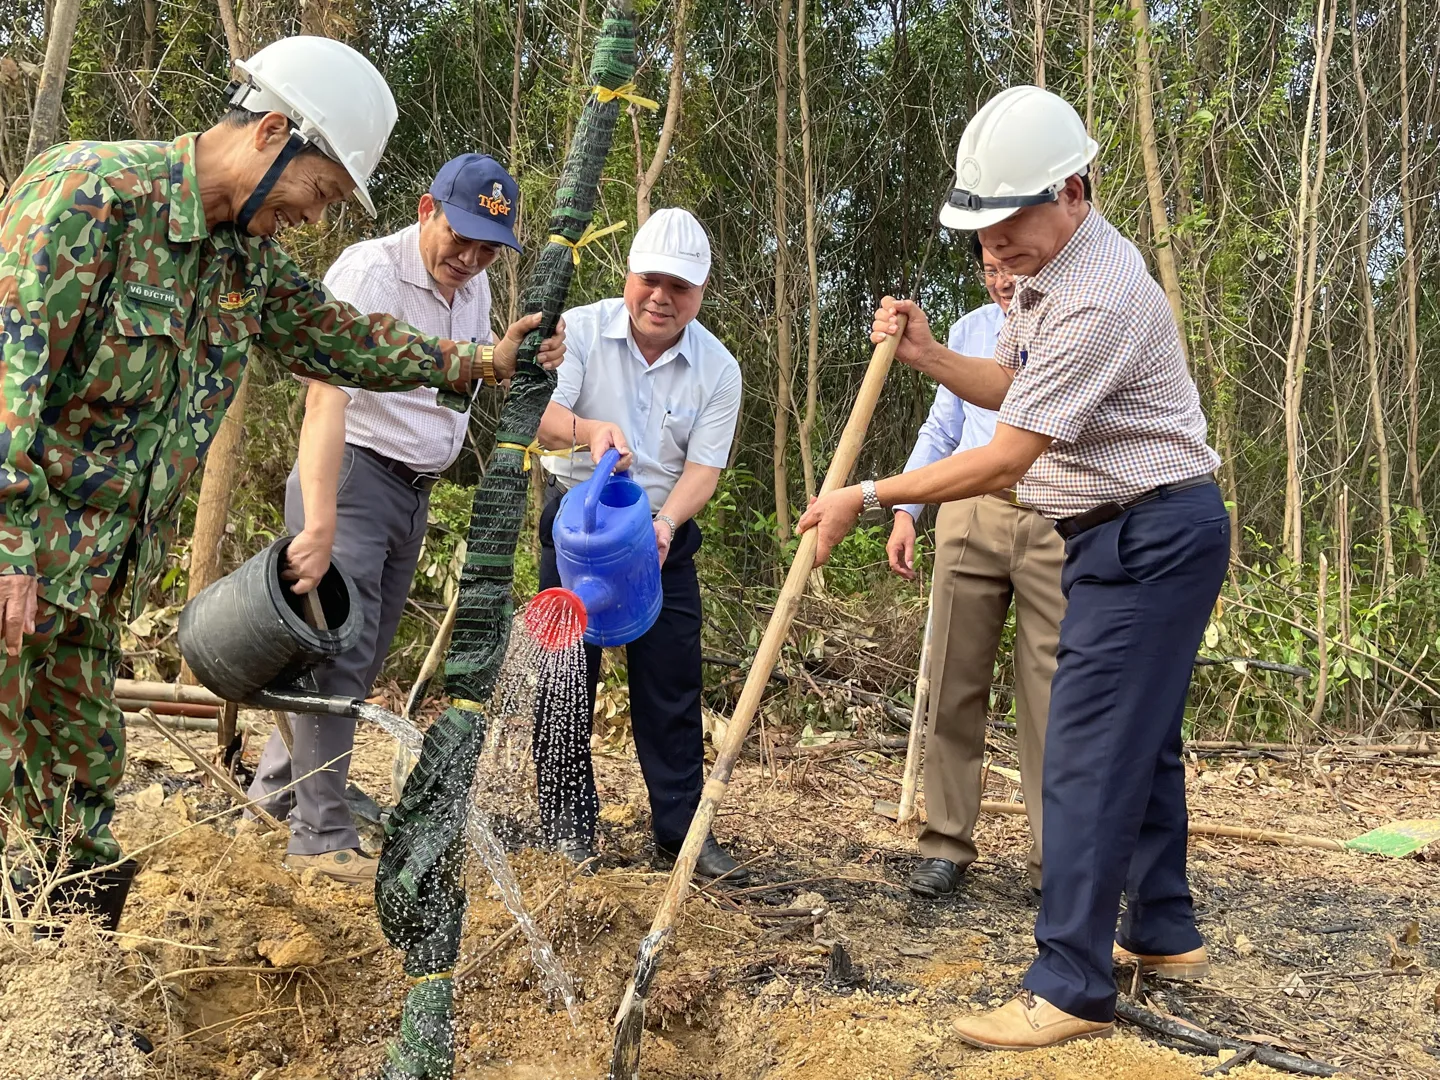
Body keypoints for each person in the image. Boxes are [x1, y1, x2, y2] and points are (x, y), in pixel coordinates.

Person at [0, 37, 534, 933]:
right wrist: (9, 547)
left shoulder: (240, 258)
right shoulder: (91, 193)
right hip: (23, 559)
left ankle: (60, 979)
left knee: (81, 779)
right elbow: (9, 377)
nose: (314, 217)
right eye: (317, 192)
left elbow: (340, 338)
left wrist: (477, 361)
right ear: (274, 132)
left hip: (86, 581)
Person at [797, 85, 1229, 1050]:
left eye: (1009, 227)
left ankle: (1070, 980)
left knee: (1084, 749)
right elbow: (1012, 389)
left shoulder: (1098, 294)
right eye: (980, 236)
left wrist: (870, 497)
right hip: (1126, 530)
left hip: (1151, 533)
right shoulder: (1049, 276)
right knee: (1144, 739)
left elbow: (1006, 453)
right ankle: (1162, 930)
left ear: (1073, 190)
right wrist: (930, 355)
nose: (993, 253)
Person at [244, 154, 565, 884]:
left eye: (489, 246)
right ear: (427, 209)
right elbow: (323, 392)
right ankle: (321, 838)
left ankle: (272, 802)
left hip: (410, 490)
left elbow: (470, 381)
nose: (471, 257)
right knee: (338, 655)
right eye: (462, 236)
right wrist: (319, 518)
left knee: (346, 656)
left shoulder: (475, 286)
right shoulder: (369, 274)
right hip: (353, 475)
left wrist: (527, 363)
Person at [532, 208, 746, 882]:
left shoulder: (717, 368)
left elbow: (703, 470)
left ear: (700, 293)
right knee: (566, 679)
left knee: (672, 685)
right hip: (578, 527)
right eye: (650, 280)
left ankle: (680, 833)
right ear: (629, 276)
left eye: (679, 287)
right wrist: (590, 431)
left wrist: (664, 526)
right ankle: (567, 823)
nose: (661, 297)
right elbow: (542, 420)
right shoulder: (583, 333)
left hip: (660, 537)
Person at [890, 237, 1064, 901]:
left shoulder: (1072, 321)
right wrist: (906, 508)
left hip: (1056, 515)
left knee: (1049, 693)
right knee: (952, 678)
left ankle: (1059, 860)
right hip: (968, 511)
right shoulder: (968, 331)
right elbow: (941, 430)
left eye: (1008, 267)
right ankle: (945, 842)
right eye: (988, 269)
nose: (1000, 280)